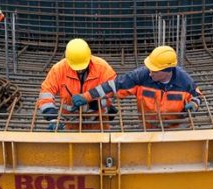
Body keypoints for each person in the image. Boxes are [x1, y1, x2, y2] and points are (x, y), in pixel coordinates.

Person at [72, 45, 203, 127]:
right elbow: (113, 86)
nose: (150, 73)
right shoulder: (141, 76)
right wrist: (86, 97)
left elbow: (197, 95)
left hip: (176, 129)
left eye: (154, 70)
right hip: (148, 128)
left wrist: (194, 104)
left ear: (167, 70)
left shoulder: (184, 81)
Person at [36, 38, 117, 131]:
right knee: (72, 145)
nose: (80, 70)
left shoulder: (102, 68)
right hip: (71, 119)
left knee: (101, 145)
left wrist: (94, 104)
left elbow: (115, 90)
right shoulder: (59, 69)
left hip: (98, 118)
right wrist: (52, 117)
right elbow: (46, 93)